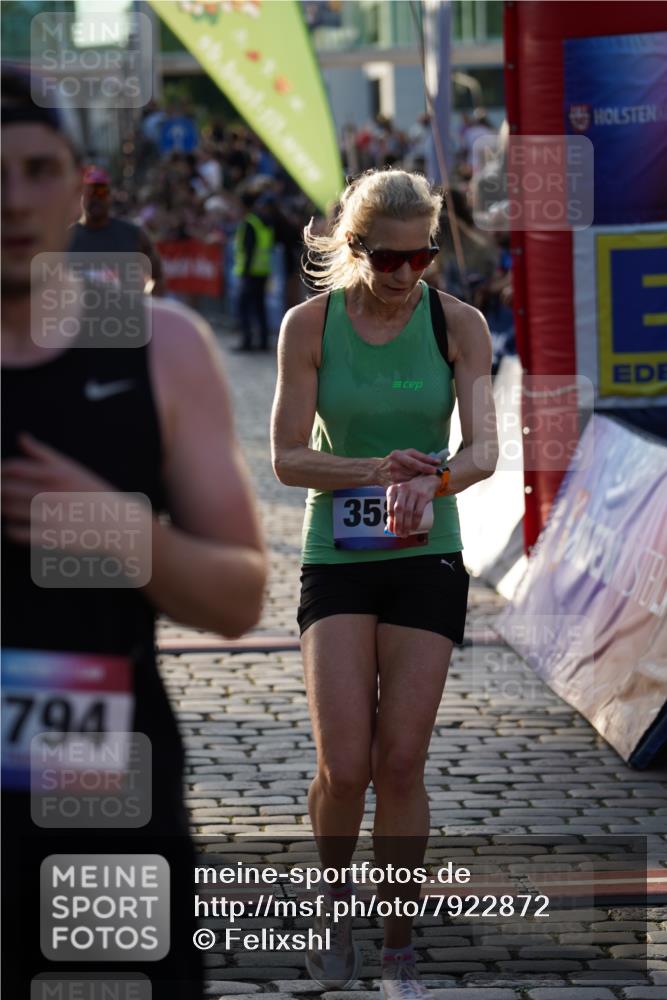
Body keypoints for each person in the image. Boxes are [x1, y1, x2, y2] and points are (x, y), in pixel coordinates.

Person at [1, 67, 267, 997]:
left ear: (79, 183)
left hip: (101, 793)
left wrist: (124, 533)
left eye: (38, 169)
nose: (13, 200)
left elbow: (240, 598)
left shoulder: (157, 344)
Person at [270, 169, 498, 999]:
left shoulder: (459, 325)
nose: (407, 275)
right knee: (345, 765)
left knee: (400, 763)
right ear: (355, 248)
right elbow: (287, 456)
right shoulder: (309, 326)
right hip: (336, 556)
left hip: (426, 553)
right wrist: (374, 469)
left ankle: (396, 944)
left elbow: (481, 452)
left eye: (423, 256)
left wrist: (429, 484)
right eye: (390, 259)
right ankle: (334, 912)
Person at [69, 164, 167, 295]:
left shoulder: (133, 234)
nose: (96, 197)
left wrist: (145, 305)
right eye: (89, 192)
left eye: (101, 191)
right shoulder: (65, 238)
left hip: (124, 314)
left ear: (110, 195)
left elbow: (158, 277)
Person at [233, 189, 275, 351]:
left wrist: (244, 272)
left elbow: (248, 249)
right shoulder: (264, 221)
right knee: (259, 308)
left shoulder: (249, 223)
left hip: (249, 272)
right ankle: (263, 342)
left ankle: (247, 341)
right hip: (262, 271)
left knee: (245, 308)